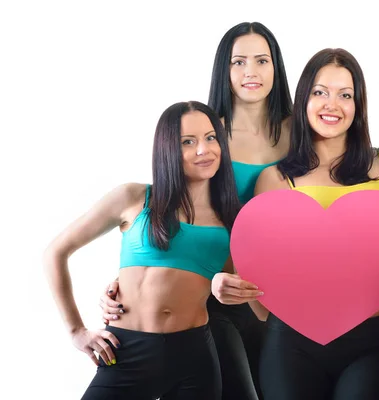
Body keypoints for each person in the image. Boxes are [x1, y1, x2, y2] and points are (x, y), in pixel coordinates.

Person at [215, 48, 379, 400]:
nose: (331, 104)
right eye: (320, 92)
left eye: (345, 95)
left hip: (370, 343)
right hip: (290, 346)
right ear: (304, 100)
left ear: (359, 104)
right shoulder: (276, 179)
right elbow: (254, 272)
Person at [97, 22, 293, 400]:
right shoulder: (204, 134)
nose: (251, 72)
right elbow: (164, 206)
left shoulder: (298, 134)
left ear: (276, 68)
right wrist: (135, 279)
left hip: (271, 293)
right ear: (224, 69)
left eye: (262, 60)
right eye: (239, 62)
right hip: (208, 296)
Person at [43, 101, 240, 399]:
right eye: (188, 142)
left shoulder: (231, 221)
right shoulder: (133, 198)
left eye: (211, 138)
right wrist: (76, 331)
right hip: (126, 352)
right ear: (167, 150)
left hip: (195, 356)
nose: (204, 149)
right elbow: (56, 252)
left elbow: (235, 292)